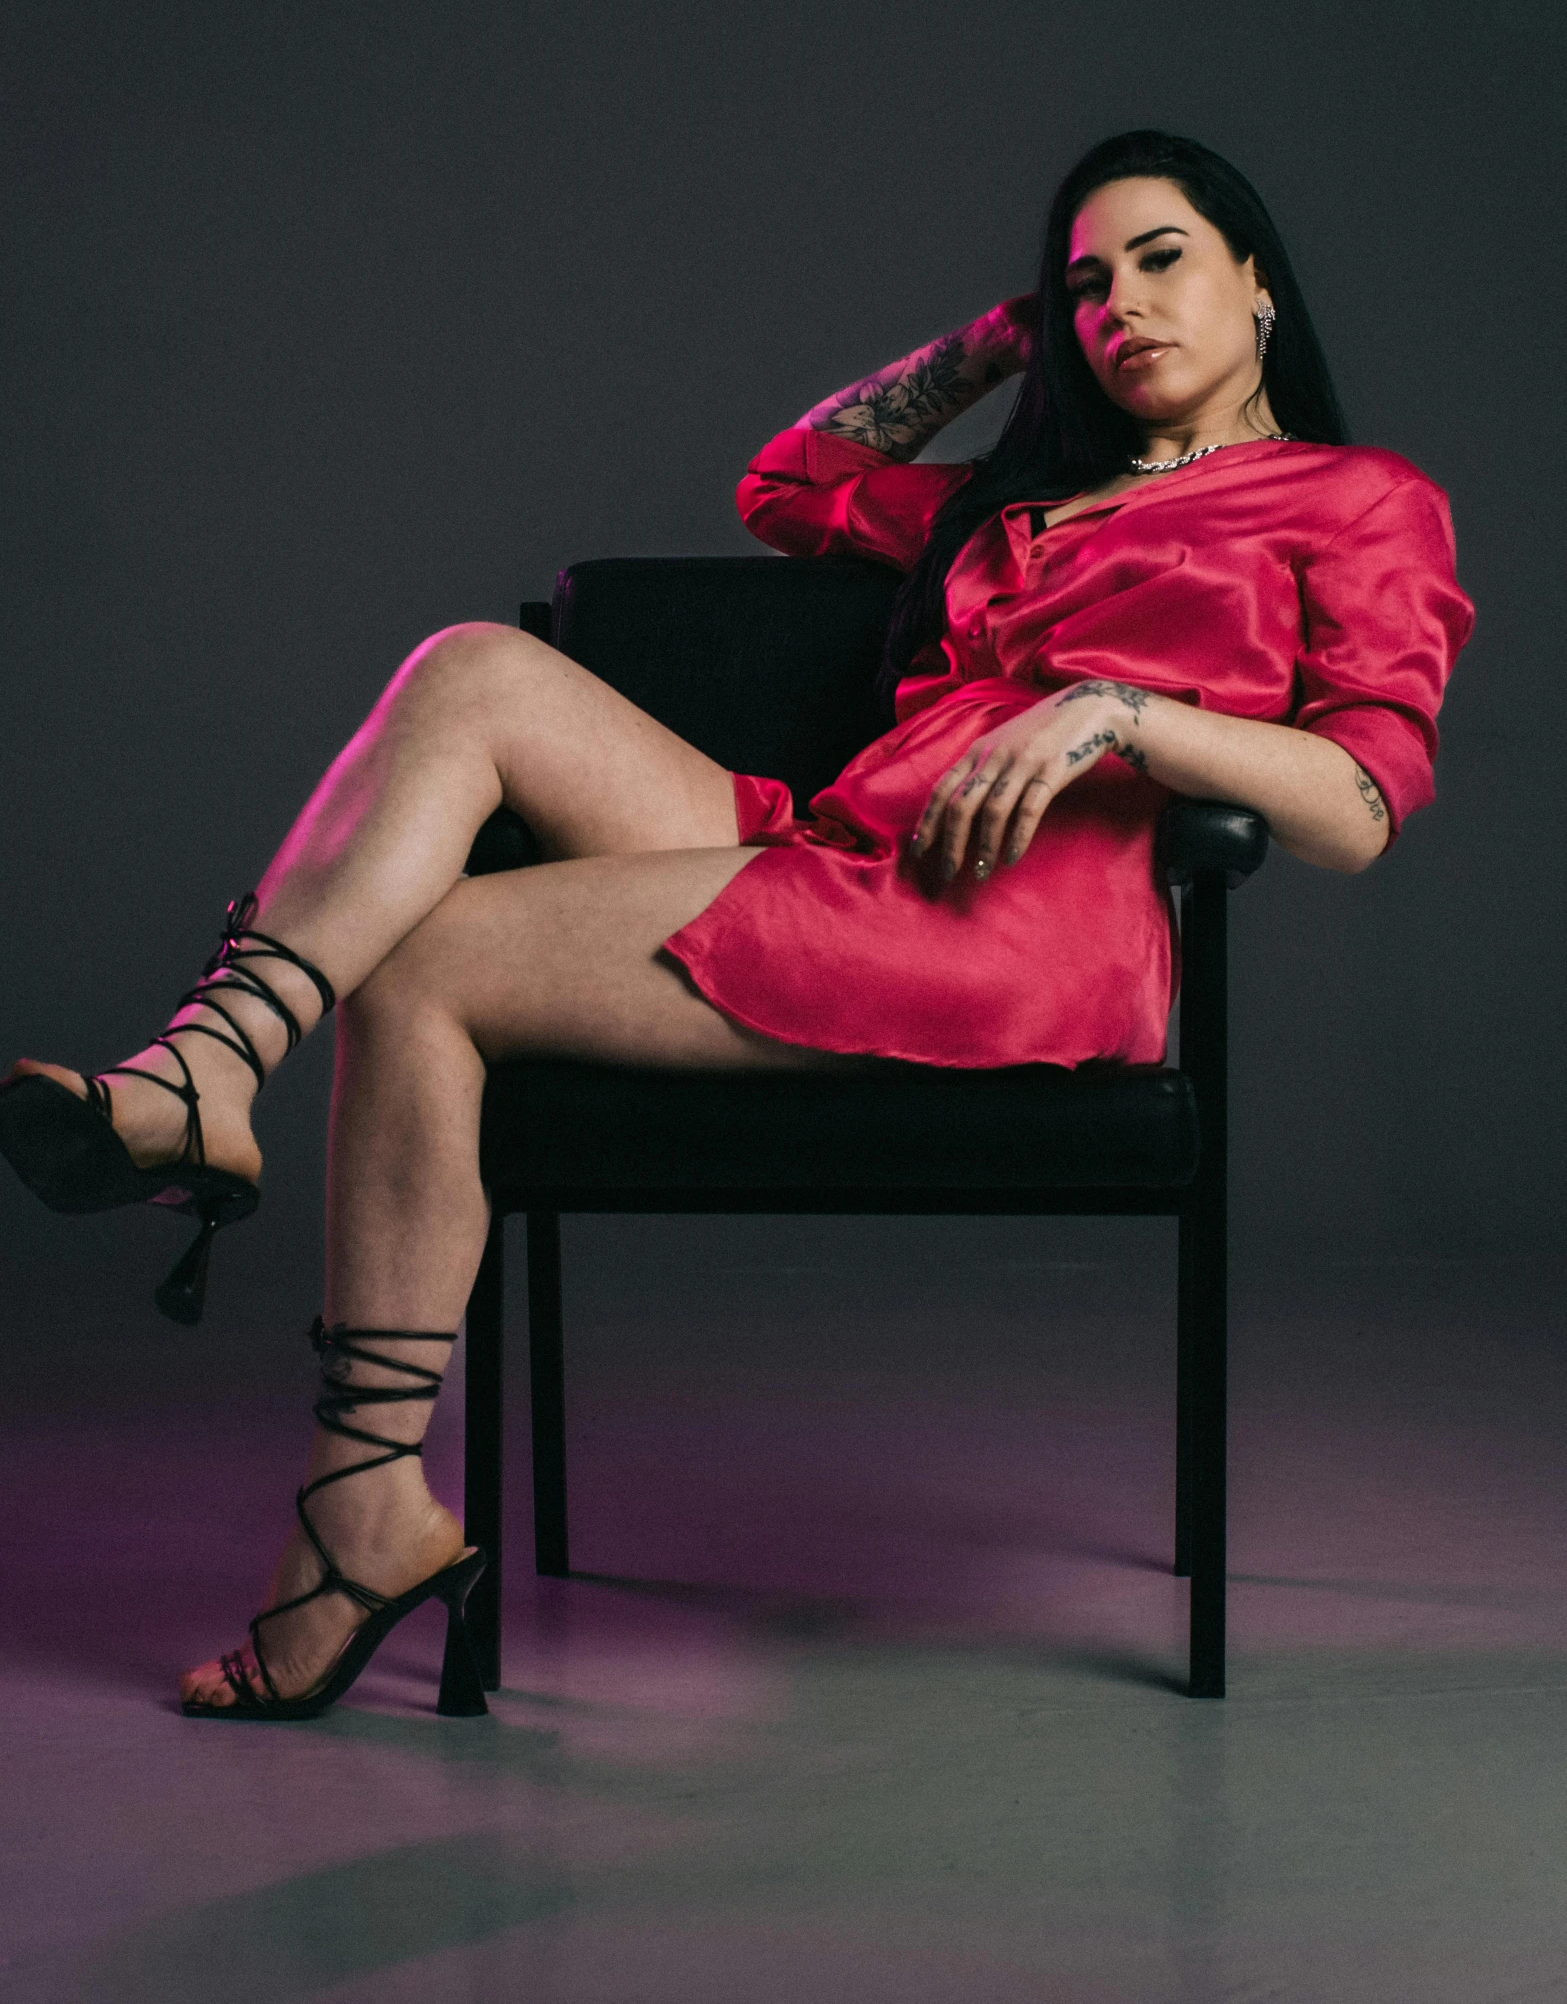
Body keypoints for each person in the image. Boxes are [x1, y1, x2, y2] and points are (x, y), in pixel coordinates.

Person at [0, 130, 1473, 1719]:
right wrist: (998, 340)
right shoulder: (1010, 507)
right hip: (834, 845)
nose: (1119, 302)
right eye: (1083, 284)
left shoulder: (1355, 499)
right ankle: (210, 1067)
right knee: (466, 669)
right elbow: (789, 480)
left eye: (1163, 256)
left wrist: (1123, 714)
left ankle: (354, 1506)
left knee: (428, 963)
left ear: (1257, 282)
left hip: (1001, 925)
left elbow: (1360, 799)